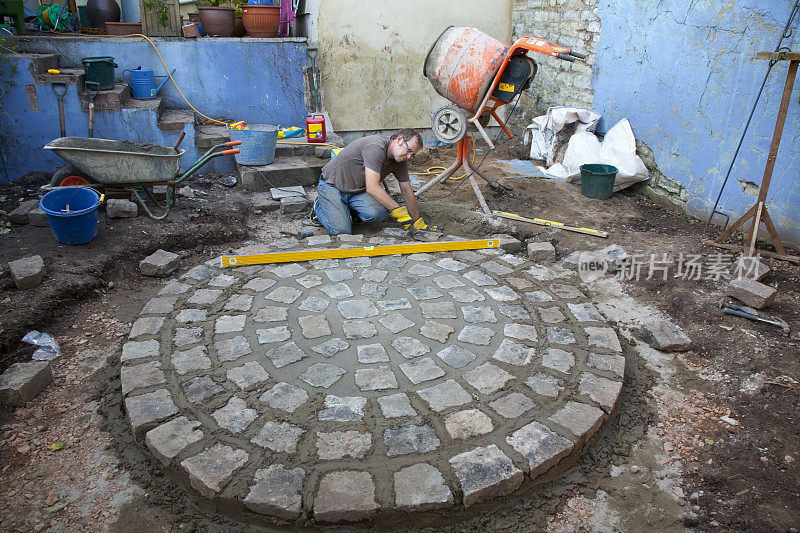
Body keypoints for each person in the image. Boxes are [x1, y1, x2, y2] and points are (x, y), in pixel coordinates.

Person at [313, 128, 442, 236]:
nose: (409, 157)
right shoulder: (376, 147)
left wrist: (417, 221)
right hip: (332, 185)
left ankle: (346, 209)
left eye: (412, 155)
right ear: (399, 140)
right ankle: (319, 207)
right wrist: (398, 210)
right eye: (409, 150)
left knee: (378, 215)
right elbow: (372, 188)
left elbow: (407, 190)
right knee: (342, 231)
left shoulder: (400, 160)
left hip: (357, 190)